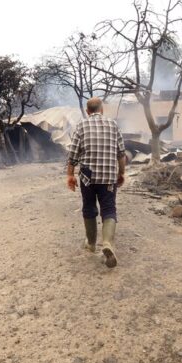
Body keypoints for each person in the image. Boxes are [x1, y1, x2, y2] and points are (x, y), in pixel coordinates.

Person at [66, 97, 127, 268]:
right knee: (108, 209)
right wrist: (121, 173)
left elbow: (72, 154)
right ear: (102, 109)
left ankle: (91, 244)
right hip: (108, 176)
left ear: (87, 111)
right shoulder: (113, 125)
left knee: (89, 207)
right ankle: (107, 243)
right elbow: (121, 153)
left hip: (88, 177)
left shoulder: (81, 125)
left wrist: (70, 175)